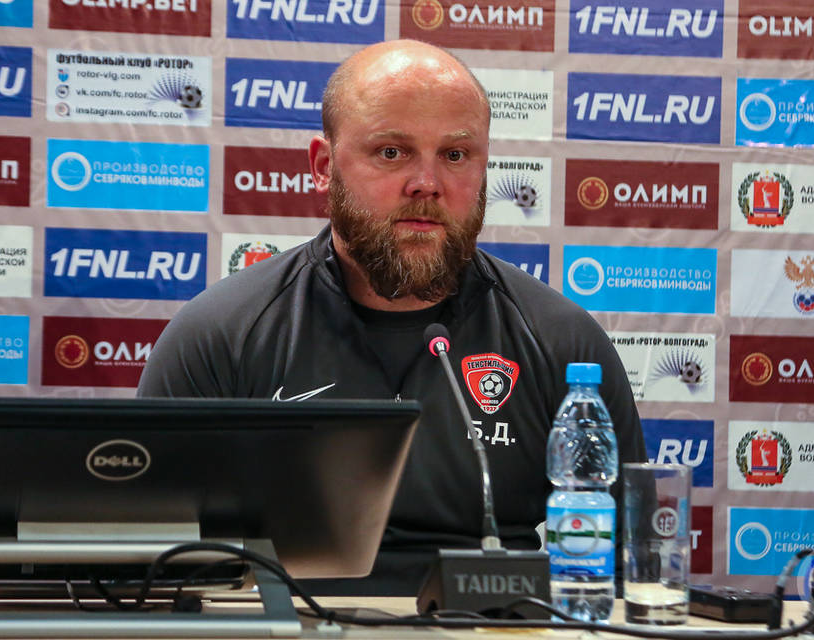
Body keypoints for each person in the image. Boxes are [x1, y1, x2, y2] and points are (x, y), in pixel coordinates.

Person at [138, 39, 645, 595]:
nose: (427, 183)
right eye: (391, 152)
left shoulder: (560, 341)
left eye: (455, 155)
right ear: (323, 167)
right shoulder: (221, 335)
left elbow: (628, 570)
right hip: (287, 624)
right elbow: (157, 564)